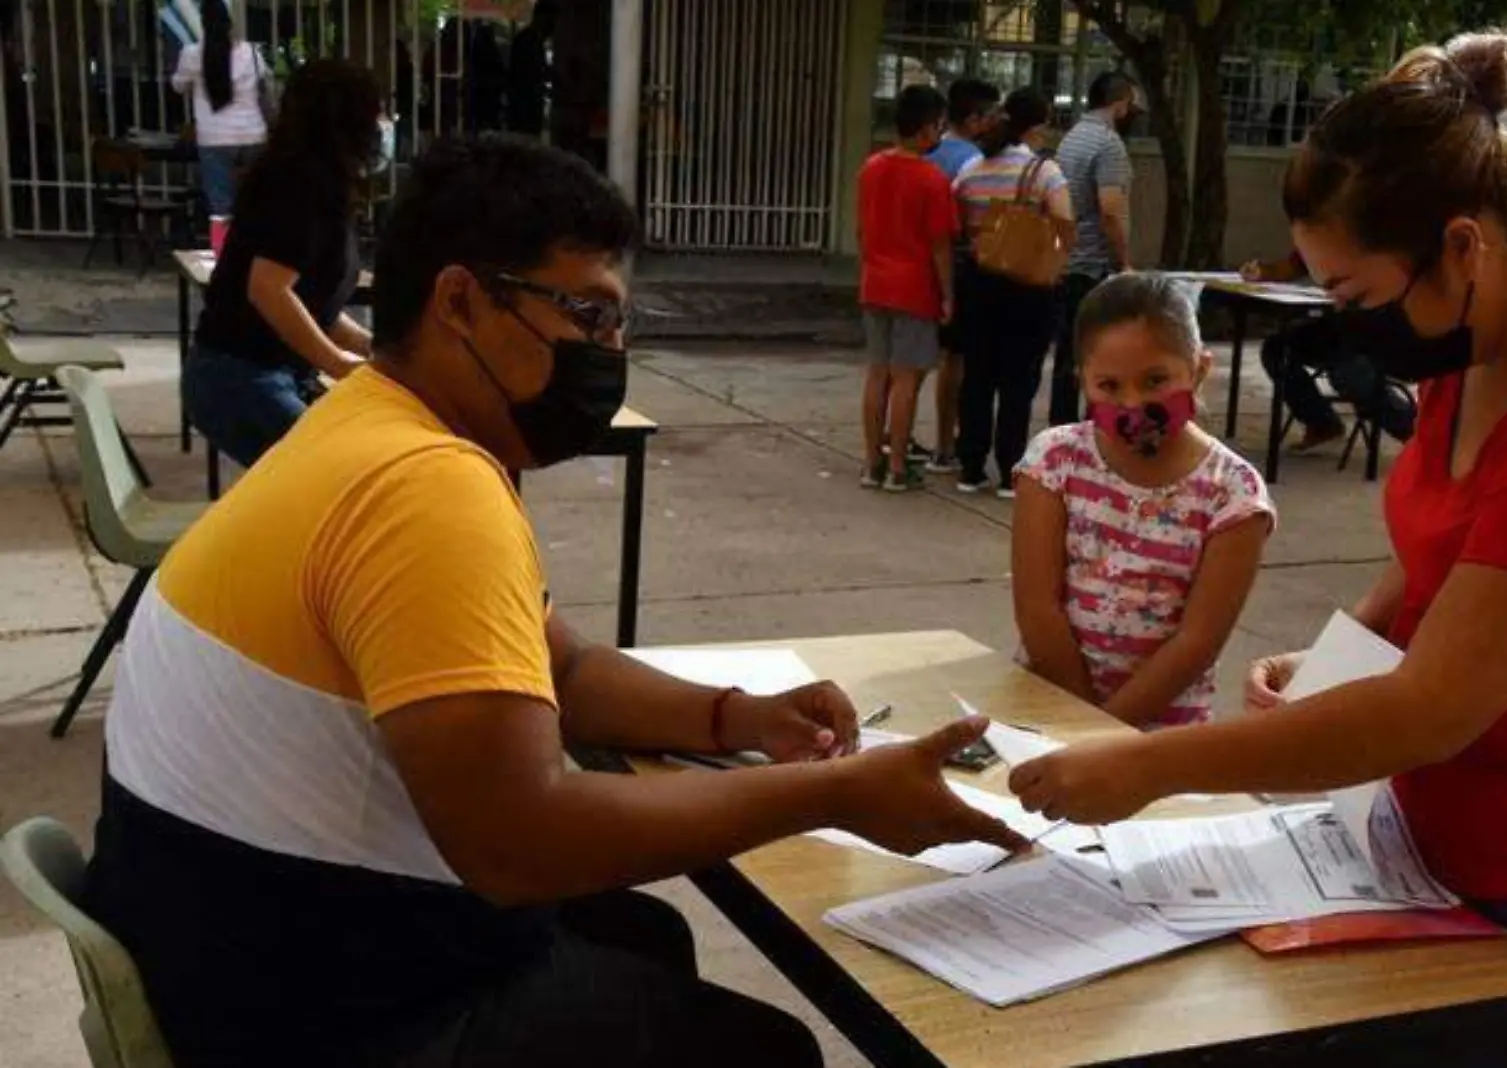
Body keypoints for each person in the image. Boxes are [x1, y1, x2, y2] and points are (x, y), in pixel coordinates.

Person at [84, 134, 1024, 1068]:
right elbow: (520, 845)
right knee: (765, 1051)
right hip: (308, 1011)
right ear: (459, 300)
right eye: (586, 315)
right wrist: (828, 794)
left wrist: (738, 718)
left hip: (226, 932)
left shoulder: (364, 424)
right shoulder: (423, 487)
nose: (608, 352)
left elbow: (561, 668)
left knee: (641, 940)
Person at [1007, 33, 1507, 1068]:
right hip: (1431, 841)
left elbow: (1429, 710)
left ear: (1462, 244)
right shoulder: (1482, 336)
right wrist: (1347, 644)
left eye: (1357, 297)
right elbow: (1453, 548)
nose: (1352, 329)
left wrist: (1145, 768)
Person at [1013, 273, 1273, 728]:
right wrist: (1084, 728)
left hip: (1160, 737)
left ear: (1198, 369)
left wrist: (1109, 733)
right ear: (1082, 381)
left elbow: (1196, 642)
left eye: (1155, 380)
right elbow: (1038, 609)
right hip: (1046, 710)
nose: (1133, 404)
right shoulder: (1054, 461)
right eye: (1109, 386)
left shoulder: (1233, 494)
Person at [181, 59, 391, 469]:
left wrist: (372, 348)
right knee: (338, 476)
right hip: (239, 377)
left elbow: (312, 307)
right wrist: (336, 362)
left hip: (267, 373)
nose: (383, 123)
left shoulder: (319, 182)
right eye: (377, 111)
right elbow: (269, 289)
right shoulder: (299, 184)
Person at [952, 87, 1075, 498]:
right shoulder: (1045, 173)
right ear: (1037, 127)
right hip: (1028, 288)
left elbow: (959, 222)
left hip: (979, 281)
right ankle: (1010, 468)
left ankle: (970, 465)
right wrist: (1053, 259)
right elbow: (1064, 221)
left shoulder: (971, 169)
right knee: (1018, 381)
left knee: (978, 376)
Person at [856, 84, 957, 492]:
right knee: (905, 379)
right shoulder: (931, 180)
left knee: (877, 374)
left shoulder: (871, 167)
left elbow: (861, 230)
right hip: (914, 286)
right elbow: (940, 245)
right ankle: (898, 464)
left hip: (875, 281)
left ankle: (870, 462)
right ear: (927, 128)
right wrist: (948, 294)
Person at [1241, 251, 1417, 451]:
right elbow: (1296, 264)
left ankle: (1417, 436)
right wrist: (1263, 271)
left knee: (1350, 374)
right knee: (1277, 350)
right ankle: (1321, 423)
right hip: (1339, 323)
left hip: (1380, 326)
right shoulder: (1326, 233)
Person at [1050, 72, 1142, 426]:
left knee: (1067, 355)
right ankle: (1095, 433)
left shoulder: (1072, 138)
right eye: (1131, 105)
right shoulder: (1109, 145)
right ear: (1120, 105)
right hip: (1093, 266)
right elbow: (1110, 210)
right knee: (1098, 357)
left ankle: (1060, 430)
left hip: (1068, 260)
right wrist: (1124, 262)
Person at [922, 77, 1002, 472]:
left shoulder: (926, 152)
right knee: (957, 360)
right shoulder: (972, 160)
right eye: (990, 116)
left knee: (918, 359)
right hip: (957, 265)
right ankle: (947, 442)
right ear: (974, 119)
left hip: (918, 264)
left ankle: (909, 438)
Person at [169, 0, 269, 220]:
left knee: (220, 209)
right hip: (253, 134)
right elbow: (262, 82)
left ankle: (224, 251)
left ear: (203, 24)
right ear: (229, 23)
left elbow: (178, 86)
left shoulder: (192, 54)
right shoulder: (251, 52)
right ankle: (255, 251)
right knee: (256, 204)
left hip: (214, 137)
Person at [507, 1, 556, 137]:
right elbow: (530, 73)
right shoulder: (529, 41)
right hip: (525, 105)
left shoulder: (532, 40)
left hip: (526, 104)